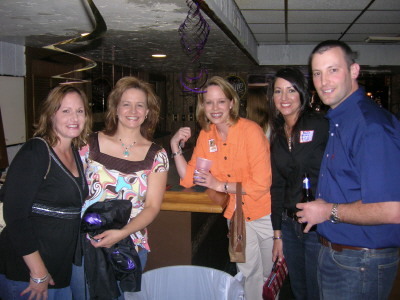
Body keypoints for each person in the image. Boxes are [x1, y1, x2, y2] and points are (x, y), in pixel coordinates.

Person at [297, 40, 400, 300]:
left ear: (354, 71)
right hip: (341, 253)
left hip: (361, 259)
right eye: (318, 73)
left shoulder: (370, 126)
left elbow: (393, 209)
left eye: (333, 70)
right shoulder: (340, 118)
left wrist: (327, 210)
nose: (324, 81)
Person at [171, 76, 273, 300]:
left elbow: (261, 184)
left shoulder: (251, 131)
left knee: (269, 273)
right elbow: (189, 178)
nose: (215, 108)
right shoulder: (207, 136)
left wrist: (220, 185)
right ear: (202, 106)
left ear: (232, 103)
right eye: (209, 102)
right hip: (237, 217)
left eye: (221, 102)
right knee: (248, 274)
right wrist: (175, 147)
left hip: (264, 214)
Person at [77, 76, 169, 299]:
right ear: (115, 108)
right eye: (126, 103)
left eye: (140, 105)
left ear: (147, 112)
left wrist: (121, 233)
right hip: (85, 244)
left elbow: (152, 207)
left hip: (129, 244)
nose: (133, 110)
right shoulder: (88, 144)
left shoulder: (157, 155)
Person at [0, 84, 91, 300]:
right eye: (65, 110)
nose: (74, 117)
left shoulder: (74, 152)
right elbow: (15, 216)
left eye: (80, 111)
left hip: (58, 269)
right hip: (26, 273)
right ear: (51, 115)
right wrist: (38, 272)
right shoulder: (36, 151)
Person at [269, 67, 329, 300]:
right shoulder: (277, 134)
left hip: (317, 226)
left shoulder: (321, 125)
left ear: (302, 94)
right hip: (289, 225)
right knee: (299, 290)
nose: (284, 98)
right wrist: (277, 235)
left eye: (291, 90)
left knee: (317, 290)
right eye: (278, 91)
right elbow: (277, 186)